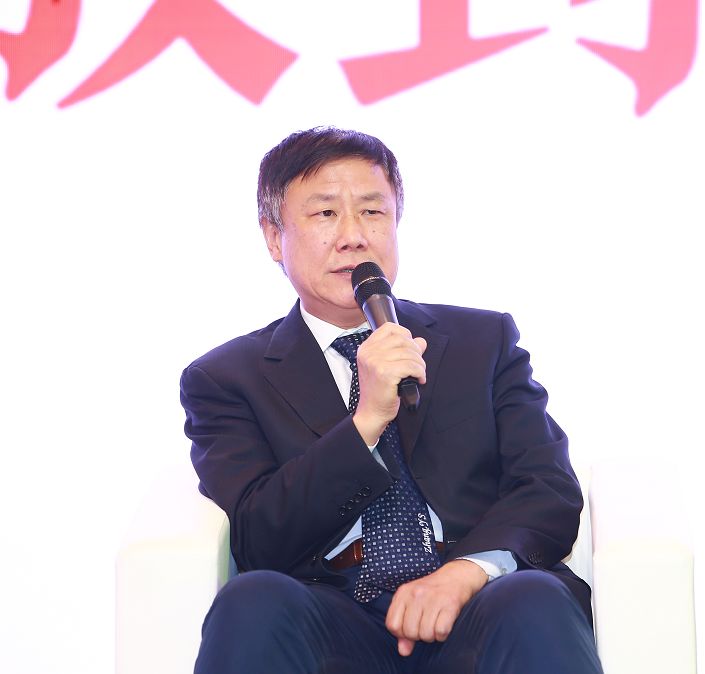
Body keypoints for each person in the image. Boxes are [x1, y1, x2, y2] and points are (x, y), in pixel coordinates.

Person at [181, 126, 603, 673]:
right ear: (273, 237)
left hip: (478, 607)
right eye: (326, 213)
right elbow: (260, 537)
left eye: (373, 212)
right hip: (332, 619)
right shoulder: (225, 378)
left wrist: (466, 573)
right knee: (251, 600)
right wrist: (366, 423)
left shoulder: (482, 342)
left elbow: (546, 487)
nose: (353, 236)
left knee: (536, 597)